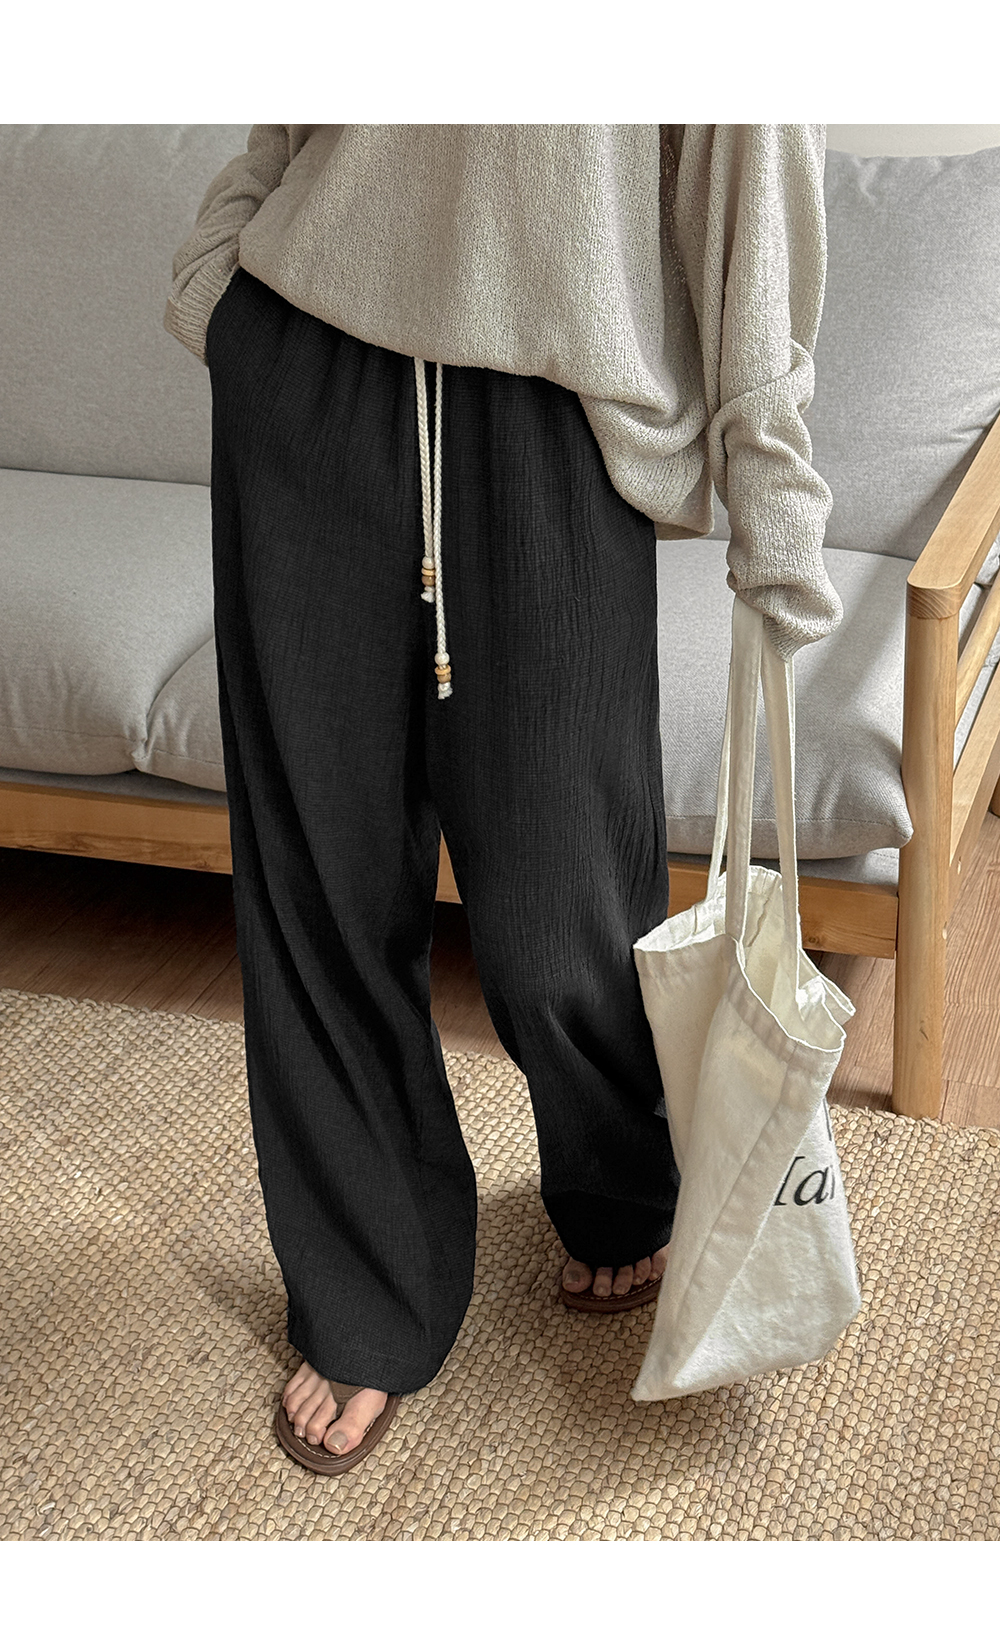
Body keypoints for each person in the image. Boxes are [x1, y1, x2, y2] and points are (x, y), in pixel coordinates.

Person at [164, 124, 841, 1476]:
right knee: (321, 888)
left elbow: (744, 156)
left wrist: (773, 481)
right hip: (308, 361)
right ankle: (367, 1289)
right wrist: (219, 280)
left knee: (560, 911)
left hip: (556, 416)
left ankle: (617, 1180)